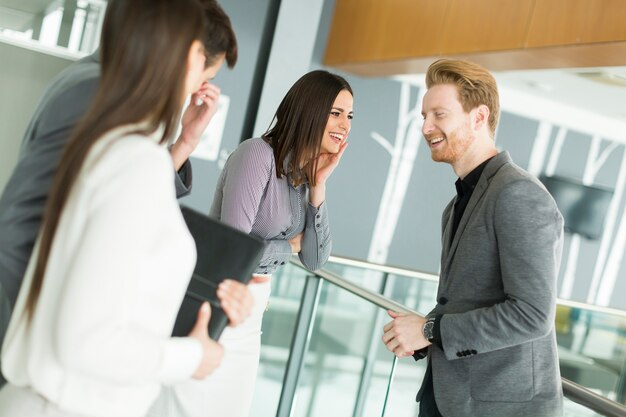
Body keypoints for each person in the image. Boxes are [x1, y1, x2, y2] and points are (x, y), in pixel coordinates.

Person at [0, 0, 245, 416]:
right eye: (205, 70)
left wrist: (181, 143)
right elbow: (85, 337)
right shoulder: (116, 128)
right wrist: (191, 355)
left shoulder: (118, 136)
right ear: (188, 54)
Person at [152, 70, 353, 417]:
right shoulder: (257, 155)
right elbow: (237, 250)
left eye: (349, 116)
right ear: (310, 110)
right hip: (219, 304)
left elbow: (317, 259)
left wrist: (319, 188)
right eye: (335, 113)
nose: (344, 125)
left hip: (252, 313)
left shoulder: (305, 177)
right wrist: (288, 247)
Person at [382, 59, 564, 417]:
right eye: (423, 116)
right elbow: (468, 300)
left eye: (439, 114)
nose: (426, 126)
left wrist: (431, 330)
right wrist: (419, 333)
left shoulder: (519, 194)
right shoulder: (456, 205)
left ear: (479, 117)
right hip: (452, 397)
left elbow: (532, 314)